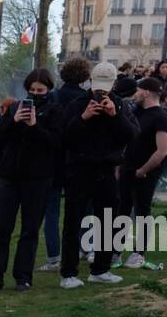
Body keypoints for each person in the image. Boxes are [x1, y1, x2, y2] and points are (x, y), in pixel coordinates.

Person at [0, 69, 61, 291]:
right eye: (32, 90)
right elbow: (0, 139)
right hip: (9, 175)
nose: (35, 94)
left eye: (40, 91)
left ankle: (23, 276)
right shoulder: (15, 108)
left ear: (48, 90)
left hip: (38, 177)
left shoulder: (54, 111)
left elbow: (54, 142)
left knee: (30, 229)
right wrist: (13, 121)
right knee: (0, 227)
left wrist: (35, 127)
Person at [58, 62, 137, 287]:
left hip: (107, 170)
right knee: (73, 221)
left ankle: (101, 269)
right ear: (90, 82)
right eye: (97, 85)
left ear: (113, 84)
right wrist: (83, 118)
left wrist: (115, 116)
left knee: (108, 221)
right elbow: (64, 138)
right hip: (79, 168)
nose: (101, 91)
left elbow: (132, 135)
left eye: (106, 86)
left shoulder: (120, 105)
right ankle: (69, 273)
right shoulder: (76, 104)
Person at [40, 58, 93, 272]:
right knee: (81, 209)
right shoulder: (86, 100)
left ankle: (53, 256)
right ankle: (84, 247)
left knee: (51, 212)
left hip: (54, 160)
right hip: (78, 161)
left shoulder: (54, 97)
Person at [117, 77, 167, 267]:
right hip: (127, 168)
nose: (135, 94)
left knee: (142, 211)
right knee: (122, 209)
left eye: (138, 90)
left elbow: (162, 150)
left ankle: (138, 253)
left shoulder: (161, 116)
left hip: (145, 172)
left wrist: (143, 170)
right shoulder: (135, 112)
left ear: (147, 92)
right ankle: (116, 250)